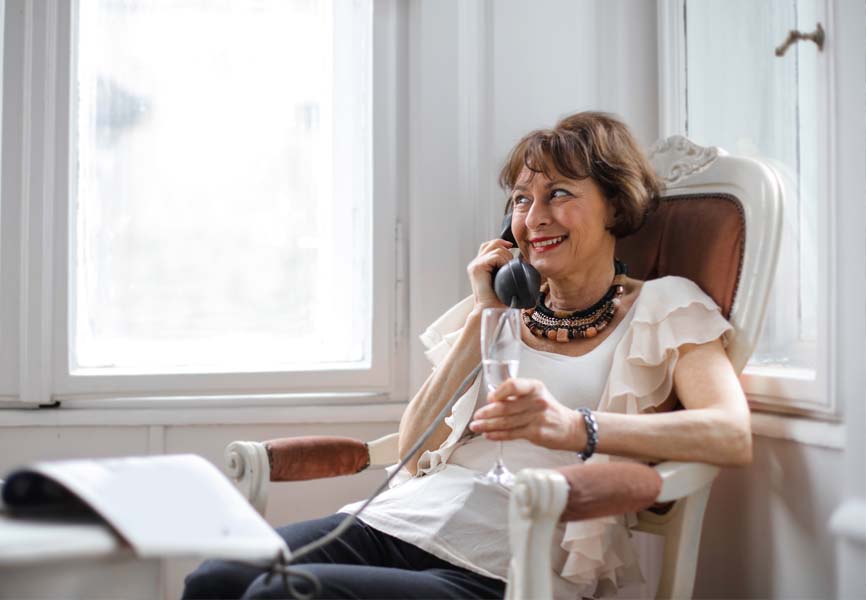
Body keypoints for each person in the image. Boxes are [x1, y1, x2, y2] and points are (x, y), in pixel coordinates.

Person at [183, 112, 752, 599]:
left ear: (614, 206)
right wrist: (486, 314)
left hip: (504, 560)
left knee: (281, 594)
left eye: (559, 194)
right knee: (217, 579)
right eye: (521, 202)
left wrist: (573, 426)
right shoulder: (503, 306)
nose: (534, 219)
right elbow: (412, 449)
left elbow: (730, 433)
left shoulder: (665, 306)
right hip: (401, 521)